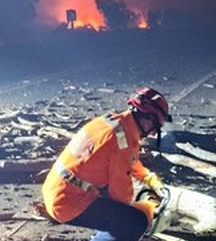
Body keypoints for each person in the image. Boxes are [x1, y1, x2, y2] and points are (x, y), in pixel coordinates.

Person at [42, 86, 172, 241]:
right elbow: (121, 196)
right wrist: (147, 209)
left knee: (118, 214)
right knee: (133, 222)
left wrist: (148, 177)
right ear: (146, 119)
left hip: (57, 188)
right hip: (68, 202)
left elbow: (127, 160)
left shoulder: (113, 122)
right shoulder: (120, 142)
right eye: (155, 127)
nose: (153, 133)